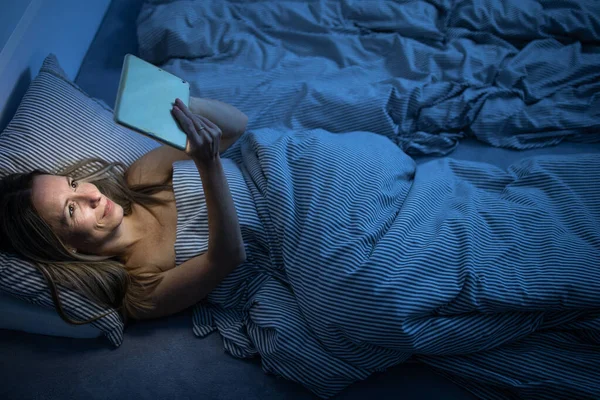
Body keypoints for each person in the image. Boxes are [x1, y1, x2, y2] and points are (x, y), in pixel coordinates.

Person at [0, 97, 249, 325]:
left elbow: (236, 126)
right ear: (65, 247)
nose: (93, 195)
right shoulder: (139, 288)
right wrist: (209, 165)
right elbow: (228, 257)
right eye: (72, 209)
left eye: (73, 184)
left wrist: (183, 104)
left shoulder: (142, 176)